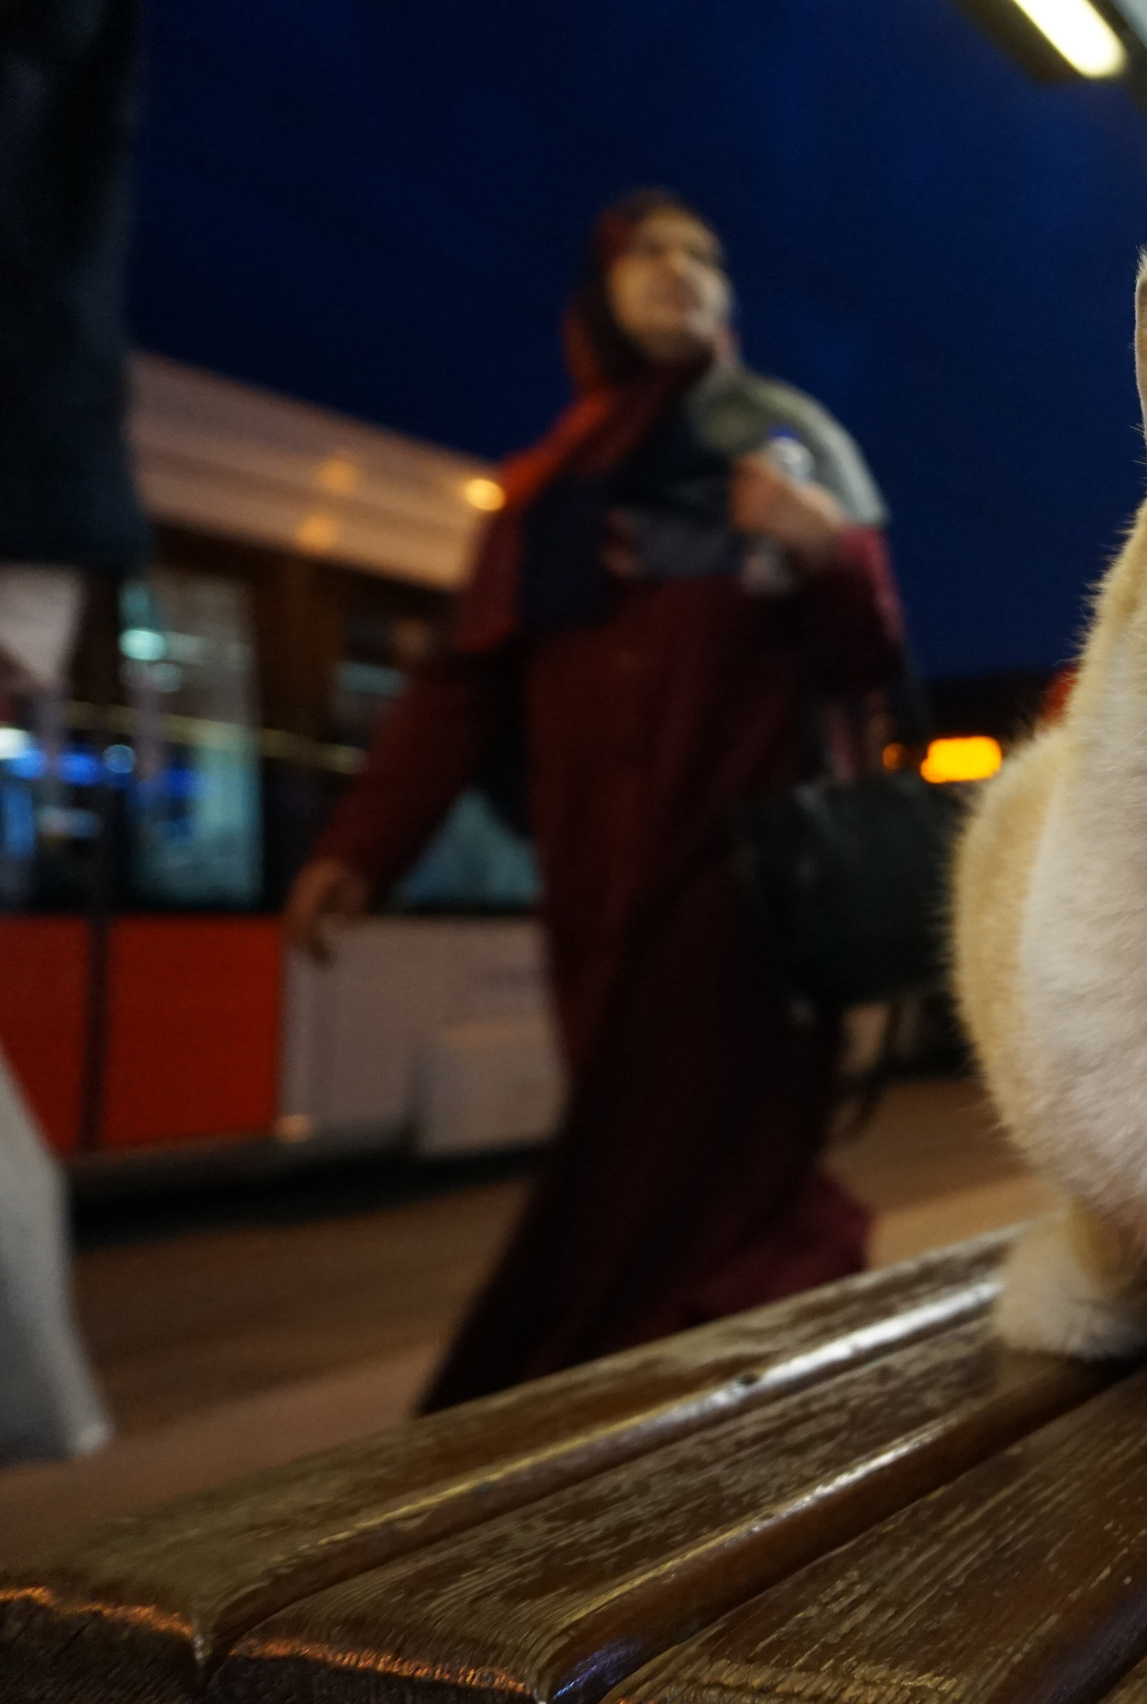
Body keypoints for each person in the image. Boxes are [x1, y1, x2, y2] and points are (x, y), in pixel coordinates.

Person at [283, 190, 904, 1410]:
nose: (682, 271)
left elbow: (867, 663)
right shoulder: (542, 491)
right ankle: (637, 1400)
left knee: (704, 1164)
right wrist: (363, 846)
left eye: (705, 256)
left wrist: (831, 550)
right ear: (597, 296)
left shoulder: (782, 442)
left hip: (738, 891)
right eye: (650, 255)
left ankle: (640, 1397)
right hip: (589, 884)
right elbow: (463, 684)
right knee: (628, 1156)